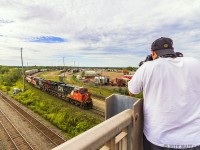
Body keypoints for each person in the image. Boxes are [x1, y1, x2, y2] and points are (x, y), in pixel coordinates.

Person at [128, 37, 200, 150]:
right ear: (172, 50)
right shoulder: (195, 63)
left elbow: (132, 91)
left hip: (158, 139)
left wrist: (145, 65)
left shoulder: (147, 67)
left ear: (152, 52)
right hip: (193, 139)